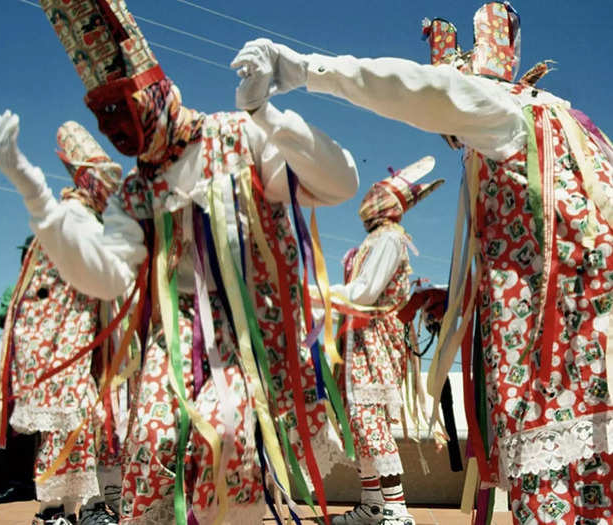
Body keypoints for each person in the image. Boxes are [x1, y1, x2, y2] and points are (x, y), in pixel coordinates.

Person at [231, 2, 613, 523]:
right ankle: (378, 506)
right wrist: (463, 299)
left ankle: (389, 510)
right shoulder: (555, 129)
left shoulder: (503, 107)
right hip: (582, 340)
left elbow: (417, 89)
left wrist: (305, 70)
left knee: (555, 474)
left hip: (556, 352)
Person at [0, 0, 359, 522]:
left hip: (256, 335)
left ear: (155, 92)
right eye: (105, 119)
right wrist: (39, 203)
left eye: (123, 110)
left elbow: (340, 183)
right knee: (152, 443)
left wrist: (267, 115)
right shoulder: (138, 191)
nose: (117, 129)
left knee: (227, 435)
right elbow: (107, 275)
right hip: (177, 346)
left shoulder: (237, 138)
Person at [0, 122, 124, 525]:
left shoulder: (95, 220)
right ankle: (61, 509)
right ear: (84, 178)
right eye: (103, 177)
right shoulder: (73, 216)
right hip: (68, 342)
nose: (110, 186)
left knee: (102, 418)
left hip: (97, 338)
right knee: (75, 420)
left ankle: (98, 502)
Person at [325, 158, 443, 525]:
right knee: (359, 420)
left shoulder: (390, 239)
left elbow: (366, 291)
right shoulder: (376, 240)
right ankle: (373, 505)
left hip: (374, 339)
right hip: (358, 339)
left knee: (369, 418)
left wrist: (318, 292)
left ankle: (394, 507)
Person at [0, 235, 37, 506]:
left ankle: (45, 482)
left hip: (50, 368)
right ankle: (18, 483)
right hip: (19, 367)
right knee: (17, 426)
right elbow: (1, 319)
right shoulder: (15, 288)